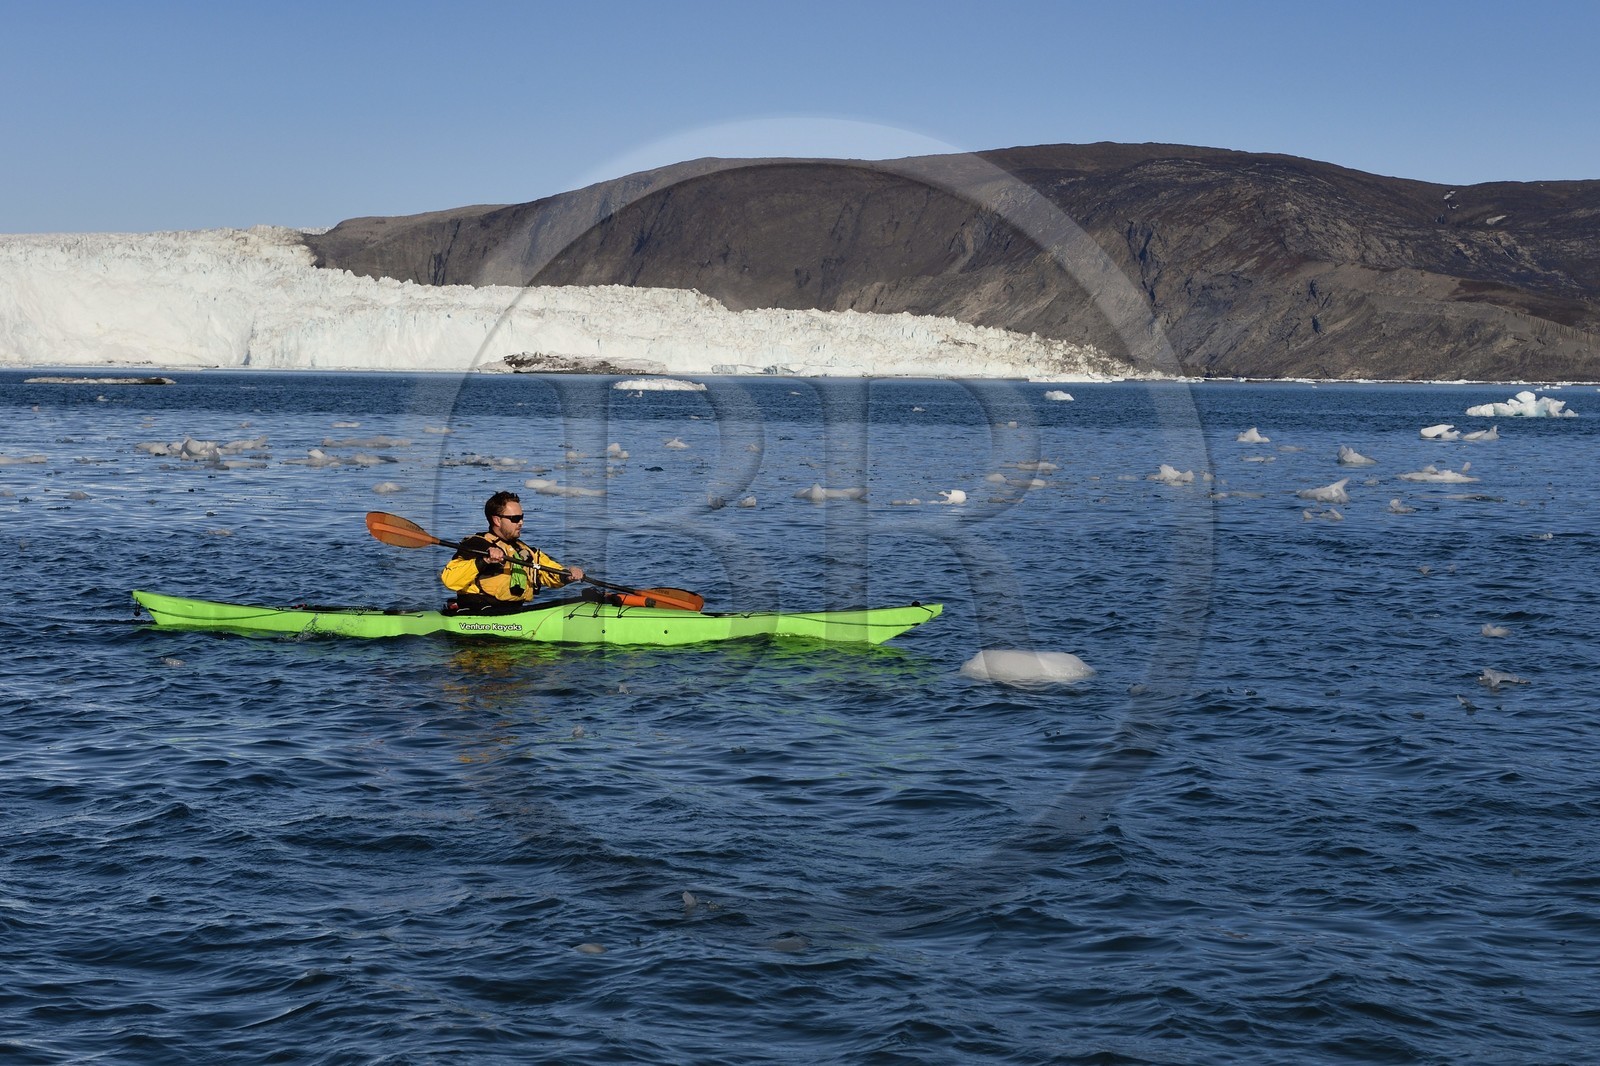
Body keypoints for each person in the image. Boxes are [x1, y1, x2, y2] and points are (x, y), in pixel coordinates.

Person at [440, 490, 584, 612]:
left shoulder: (525, 550)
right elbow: (449, 579)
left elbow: (548, 572)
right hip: (479, 615)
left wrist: (567, 575)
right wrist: (484, 561)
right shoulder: (476, 545)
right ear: (497, 520)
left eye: (521, 517)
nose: (521, 522)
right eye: (515, 518)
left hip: (514, 613)